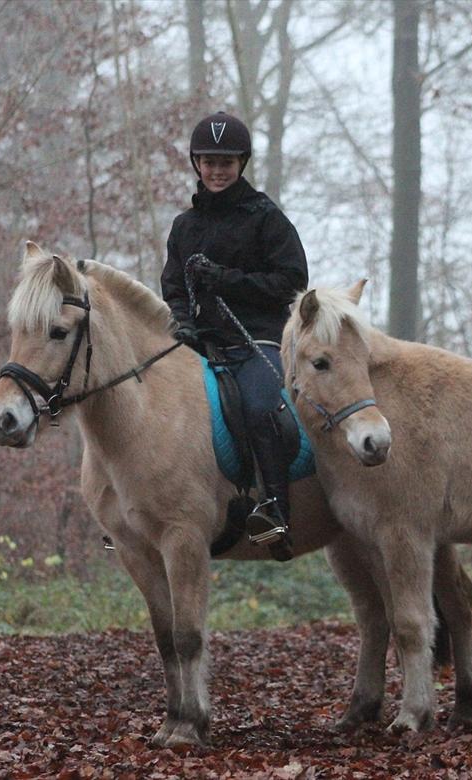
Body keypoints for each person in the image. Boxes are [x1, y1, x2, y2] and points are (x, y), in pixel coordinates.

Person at [161, 111, 308, 560]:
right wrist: (182, 319)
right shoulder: (184, 226)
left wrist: (228, 281)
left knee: (260, 407)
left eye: (225, 162)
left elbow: (292, 281)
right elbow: (173, 286)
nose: (217, 171)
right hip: (202, 342)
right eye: (209, 162)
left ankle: (276, 513)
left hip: (256, 339)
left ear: (241, 163)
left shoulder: (266, 218)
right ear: (196, 163)